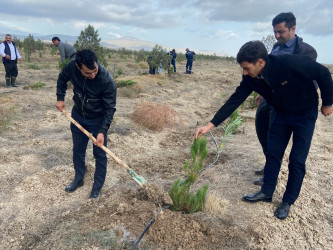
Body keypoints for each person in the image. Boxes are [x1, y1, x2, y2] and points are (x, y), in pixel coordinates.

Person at [195, 41, 333, 220]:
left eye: (246, 68)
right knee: (273, 153)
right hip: (281, 113)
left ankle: (287, 201)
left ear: (260, 62)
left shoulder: (289, 62)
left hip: (304, 114)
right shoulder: (251, 78)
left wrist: (328, 102)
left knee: (297, 160)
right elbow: (235, 99)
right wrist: (210, 125)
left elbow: (322, 73)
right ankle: (266, 192)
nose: (244, 72)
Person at [253, 12, 317, 186]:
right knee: (262, 129)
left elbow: (309, 79)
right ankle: (269, 163)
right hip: (269, 98)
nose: (277, 35)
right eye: (275, 31)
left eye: (280, 31)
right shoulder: (276, 47)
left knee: (276, 138)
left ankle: (270, 174)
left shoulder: (306, 51)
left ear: (293, 28)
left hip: (285, 104)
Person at [56, 49, 117, 199]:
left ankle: (97, 187)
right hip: (78, 116)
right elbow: (62, 79)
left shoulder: (106, 80)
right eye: (88, 73)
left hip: (98, 120)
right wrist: (60, 98)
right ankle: (79, 179)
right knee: (78, 150)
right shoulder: (71, 66)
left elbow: (110, 108)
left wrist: (102, 131)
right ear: (78, 67)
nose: (93, 75)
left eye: (94, 70)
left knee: (100, 155)